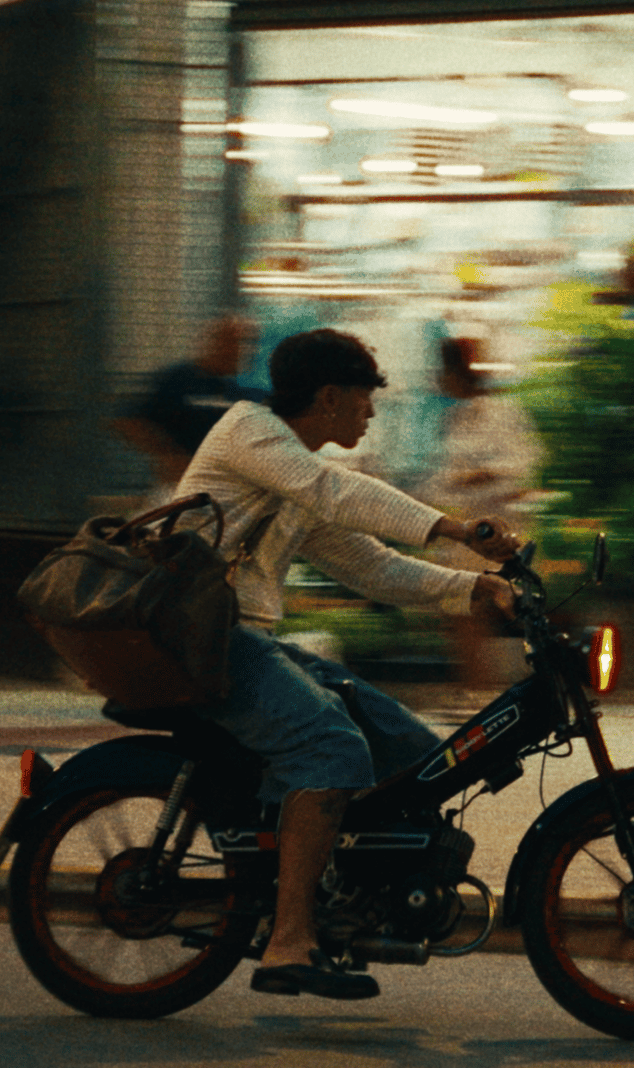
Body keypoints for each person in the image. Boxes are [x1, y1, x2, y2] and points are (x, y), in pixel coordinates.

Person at [175, 328, 519, 1001]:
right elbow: (335, 492)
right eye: (366, 399)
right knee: (332, 745)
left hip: (248, 641)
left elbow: (371, 566)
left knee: (407, 747)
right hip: (205, 641)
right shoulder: (250, 433)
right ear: (329, 397)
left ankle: (344, 901)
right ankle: (288, 940)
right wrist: (456, 529)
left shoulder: (294, 475)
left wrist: (473, 588)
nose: (372, 413)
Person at [419, 337, 544, 691]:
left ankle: (495, 688)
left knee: (487, 609)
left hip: (499, 531)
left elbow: (523, 467)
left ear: (457, 373)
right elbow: (443, 478)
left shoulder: (504, 413)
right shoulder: (454, 418)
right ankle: (476, 689)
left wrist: (479, 476)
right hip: (467, 532)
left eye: (443, 371)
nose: (438, 379)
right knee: (461, 612)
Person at [112, 312, 265, 495]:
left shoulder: (245, 391)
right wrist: (168, 456)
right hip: (180, 488)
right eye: (234, 342)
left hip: (227, 489)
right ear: (214, 342)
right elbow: (128, 420)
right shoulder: (179, 379)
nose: (241, 350)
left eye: (247, 343)